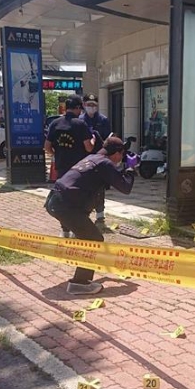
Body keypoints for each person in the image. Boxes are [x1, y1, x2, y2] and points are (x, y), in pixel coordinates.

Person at [45, 137, 140, 295]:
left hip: (55, 200)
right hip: (66, 206)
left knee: (87, 239)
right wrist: (131, 168)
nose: (121, 158)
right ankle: (79, 283)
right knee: (94, 241)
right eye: (122, 155)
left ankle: (82, 277)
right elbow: (125, 187)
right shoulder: (105, 163)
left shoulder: (92, 158)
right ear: (116, 153)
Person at [45, 94, 95, 237]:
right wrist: (93, 139)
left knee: (63, 199)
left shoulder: (55, 123)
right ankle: (76, 229)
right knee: (79, 199)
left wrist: (57, 154)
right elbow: (89, 148)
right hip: (79, 170)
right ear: (78, 108)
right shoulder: (80, 124)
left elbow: (47, 146)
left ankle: (64, 230)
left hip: (62, 168)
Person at [79, 93, 113, 232]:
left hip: (99, 160)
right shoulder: (80, 120)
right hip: (83, 160)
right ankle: (83, 217)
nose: (91, 107)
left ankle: (100, 218)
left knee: (99, 189)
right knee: (84, 189)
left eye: (94, 105)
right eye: (89, 104)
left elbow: (108, 139)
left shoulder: (103, 120)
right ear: (84, 105)